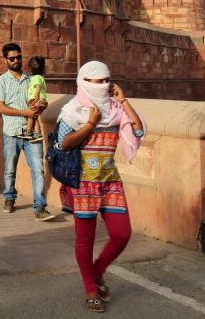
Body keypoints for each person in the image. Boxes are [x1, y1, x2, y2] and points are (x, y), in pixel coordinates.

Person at [56, 61, 145, 313]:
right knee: (85, 238)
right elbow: (62, 144)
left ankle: (97, 270)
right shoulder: (72, 110)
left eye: (107, 80)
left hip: (109, 180)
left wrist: (125, 101)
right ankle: (90, 289)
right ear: (84, 82)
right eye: (97, 81)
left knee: (122, 233)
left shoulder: (116, 109)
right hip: (83, 182)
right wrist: (90, 124)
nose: (103, 86)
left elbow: (137, 133)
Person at [0, 43, 55, 221]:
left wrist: (42, 106)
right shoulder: (1, 81)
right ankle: (9, 197)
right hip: (12, 132)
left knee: (38, 170)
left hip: (32, 133)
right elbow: (0, 107)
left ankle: (40, 208)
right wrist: (23, 113)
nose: (16, 61)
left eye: (19, 57)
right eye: (12, 58)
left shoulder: (32, 79)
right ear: (6, 60)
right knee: (10, 170)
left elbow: (41, 98)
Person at [24, 56, 47, 143]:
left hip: (36, 100)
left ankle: (28, 133)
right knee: (35, 117)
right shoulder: (40, 77)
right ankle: (38, 135)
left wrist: (36, 93)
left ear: (30, 69)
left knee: (30, 115)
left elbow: (38, 86)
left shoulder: (36, 77)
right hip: (42, 101)